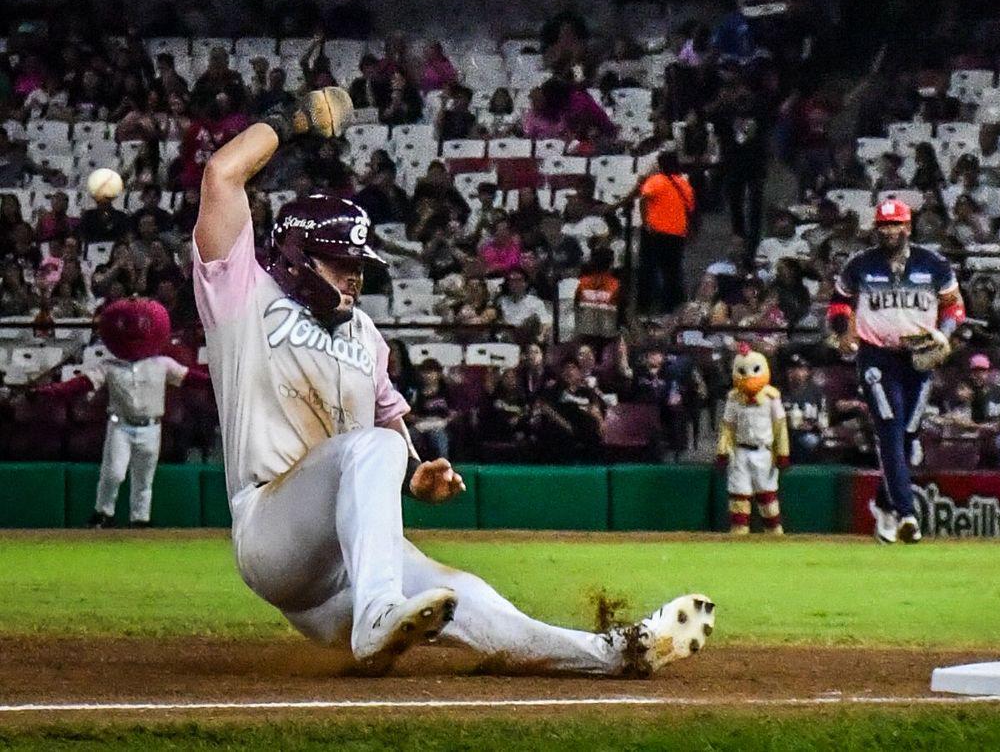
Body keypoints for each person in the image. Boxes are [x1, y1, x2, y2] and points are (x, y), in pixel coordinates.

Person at [190, 83, 713, 677]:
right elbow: (221, 176)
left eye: (361, 266)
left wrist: (415, 474)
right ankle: (378, 615)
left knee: (469, 598)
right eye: (342, 263)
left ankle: (615, 653)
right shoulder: (242, 298)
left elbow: (389, 421)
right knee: (375, 450)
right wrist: (295, 120)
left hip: (344, 571)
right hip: (271, 534)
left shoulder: (364, 333)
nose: (355, 278)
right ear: (293, 256)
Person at [827, 198, 965, 544]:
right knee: (889, 431)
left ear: (908, 226)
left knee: (908, 435)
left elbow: (954, 307)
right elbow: (839, 301)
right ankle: (907, 514)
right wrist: (844, 332)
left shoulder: (933, 263)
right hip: (876, 356)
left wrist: (943, 336)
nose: (890, 231)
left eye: (896, 225)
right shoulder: (860, 264)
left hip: (919, 356)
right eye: (884, 225)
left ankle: (883, 506)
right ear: (877, 229)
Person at [32, 298, 204, 528]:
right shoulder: (109, 366)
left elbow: (190, 377)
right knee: (113, 473)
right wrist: (49, 391)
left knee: (144, 477)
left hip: (151, 426)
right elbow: (81, 384)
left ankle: (140, 518)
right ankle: (103, 513)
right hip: (120, 425)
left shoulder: (163, 363)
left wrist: (216, 381)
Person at [715, 345, 789, 535]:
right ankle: (739, 535)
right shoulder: (733, 398)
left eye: (754, 370)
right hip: (740, 452)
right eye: (742, 371)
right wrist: (722, 451)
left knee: (768, 497)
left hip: (763, 452)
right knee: (739, 497)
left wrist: (782, 452)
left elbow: (780, 427)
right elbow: (727, 427)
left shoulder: (772, 397)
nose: (748, 375)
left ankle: (774, 534)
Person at [625, 150, 695, 317]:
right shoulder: (684, 183)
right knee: (672, 272)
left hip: (655, 233)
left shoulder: (656, 180)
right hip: (677, 234)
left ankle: (644, 307)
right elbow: (690, 208)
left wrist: (646, 222)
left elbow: (643, 199)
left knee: (647, 270)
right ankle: (671, 307)